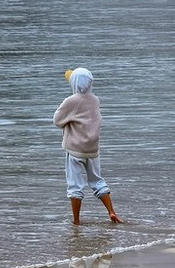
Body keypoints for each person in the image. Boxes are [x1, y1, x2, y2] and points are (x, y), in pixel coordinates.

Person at [53, 67, 123, 225]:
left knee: (75, 185)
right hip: (92, 149)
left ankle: (76, 221)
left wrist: (69, 121)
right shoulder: (95, 99)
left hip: (75, 149)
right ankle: (111, 212)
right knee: (97, 181)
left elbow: (57, 121)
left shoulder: (71, 100)